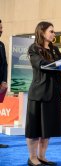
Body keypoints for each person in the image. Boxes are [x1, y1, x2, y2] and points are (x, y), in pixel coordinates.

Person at [25, 21, 61, 166]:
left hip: (54, 92)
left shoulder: (54, 49)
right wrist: (57, 63)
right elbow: (40, 64)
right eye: (51, 31)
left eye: (54, 31)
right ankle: (32, 157)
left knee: (46, 128)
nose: (54, 34)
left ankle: (42, 156)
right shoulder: (33, 48)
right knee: (35, 128)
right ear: (42, 32)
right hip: (39, 93)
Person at [0, 19, 9, 149]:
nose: (1, 30)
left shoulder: (1, 45)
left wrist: (4, 81)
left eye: (1, 27)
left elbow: (5, 64)